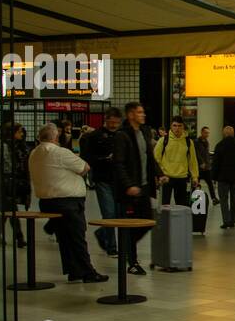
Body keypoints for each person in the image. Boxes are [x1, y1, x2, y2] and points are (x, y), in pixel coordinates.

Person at [28, 124, 107, 283]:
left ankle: (74, 270)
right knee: (77, 237)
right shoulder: (60, 152)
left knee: (64, 239)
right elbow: (85, 167)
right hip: (68, 202)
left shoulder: (34, 153)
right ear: (56, 138)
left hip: (46, 202)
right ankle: (88, 272)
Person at [111, 101, 165, 276]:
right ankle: (131, 261)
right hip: (130, 190)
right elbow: (118, 164)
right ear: (131, 115)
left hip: (143, 187)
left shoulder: (143, 132)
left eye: (143, 112)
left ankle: (127, 247)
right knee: (131, 224)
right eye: (139, 112)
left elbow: (149, 157)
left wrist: (159, 174)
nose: (143, 115)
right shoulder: (122, 135)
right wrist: (128, 185)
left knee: (147, 221)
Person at [80, 107, 123, 257]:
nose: (114, 126)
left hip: (118, 180)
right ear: (106, 120)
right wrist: (104, 159)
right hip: (102, 179)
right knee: (109, 213)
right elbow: (86, 157)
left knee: (118, 214)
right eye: (111, 122)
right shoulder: (94, 136)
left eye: (117, 123)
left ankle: (102, 232)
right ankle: (112, 247)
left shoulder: (121, 135)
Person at [0, 122, 30, 248]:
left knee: (7, 210)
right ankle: (19, 237)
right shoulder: (0, 146)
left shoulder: (19, 146)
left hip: (12, 182)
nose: (22, 134)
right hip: (3, 182)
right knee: (12, 209)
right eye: (19, 132)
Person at [155, 117, 199, 206]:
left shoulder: (188, 142)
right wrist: (159, 174)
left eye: (179, 126)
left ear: (183, 127)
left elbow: (192, 161)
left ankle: (181, 220)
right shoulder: (163, 140)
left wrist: (195, 176)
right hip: (166, 177)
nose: (177, 128)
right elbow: (156, 158)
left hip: (182, 177)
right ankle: (165, 221)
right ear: (171, 126)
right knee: (165, 206)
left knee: (181, 206)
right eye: (174, 125)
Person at [211, 125, 235, 229]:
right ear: (233, 134)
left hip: (223, 177)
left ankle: (226, 220)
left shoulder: (219, 145)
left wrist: (214, 177)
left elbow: (216, 163)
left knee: (224, 200)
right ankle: (233, 220)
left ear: (224, 134)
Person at [195, 126, 216, 205]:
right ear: (202, 132)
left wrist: (208, 164)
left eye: (208, 133)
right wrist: (201, 162)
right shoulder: (196, 142)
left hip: (206, 168)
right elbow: (197, 154)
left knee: (210, 184)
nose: (207, 134)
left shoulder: (206, 142)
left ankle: (214, 198)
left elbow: (206, 154)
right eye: (206, 133)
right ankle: (194, 200)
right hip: (199, 168)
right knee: (196, 185)